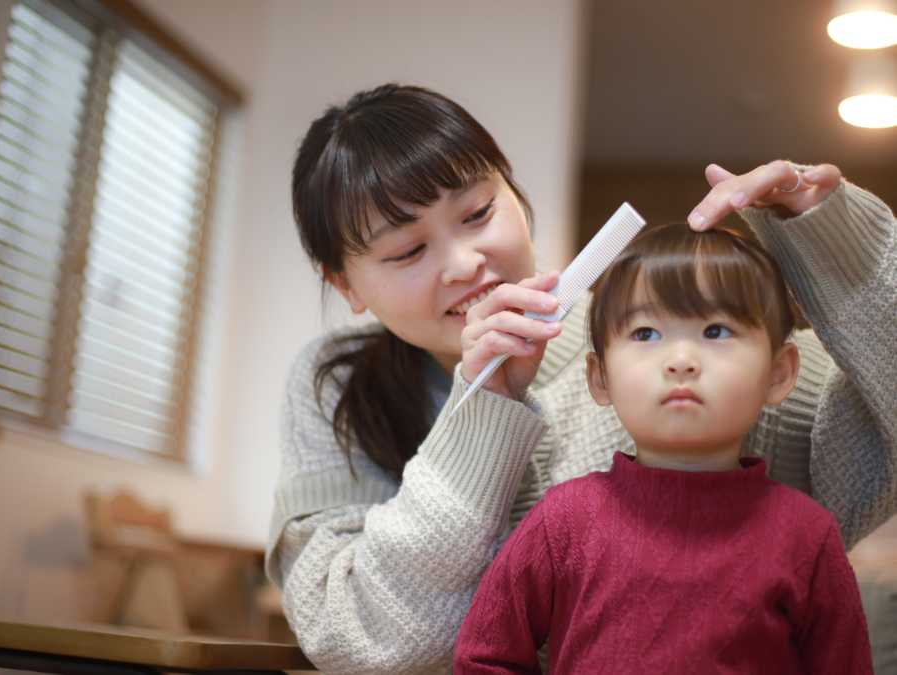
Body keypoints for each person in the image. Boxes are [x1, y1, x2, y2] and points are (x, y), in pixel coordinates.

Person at [265, 83, 896, 674]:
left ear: (515, 194)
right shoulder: (335, 384)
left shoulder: (649, 349)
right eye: (406, 251)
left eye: (479, 212)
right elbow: (362, 639)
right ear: (343, 283)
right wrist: (484, 410)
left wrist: (840, 249)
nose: (466, 263)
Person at [452, 223, 874, 673]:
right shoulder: (564, 522)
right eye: (647, 334)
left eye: (716, 331)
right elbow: (484, 657)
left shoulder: (806, 535)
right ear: (600, 378)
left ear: (779, 373)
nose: (680, 360)